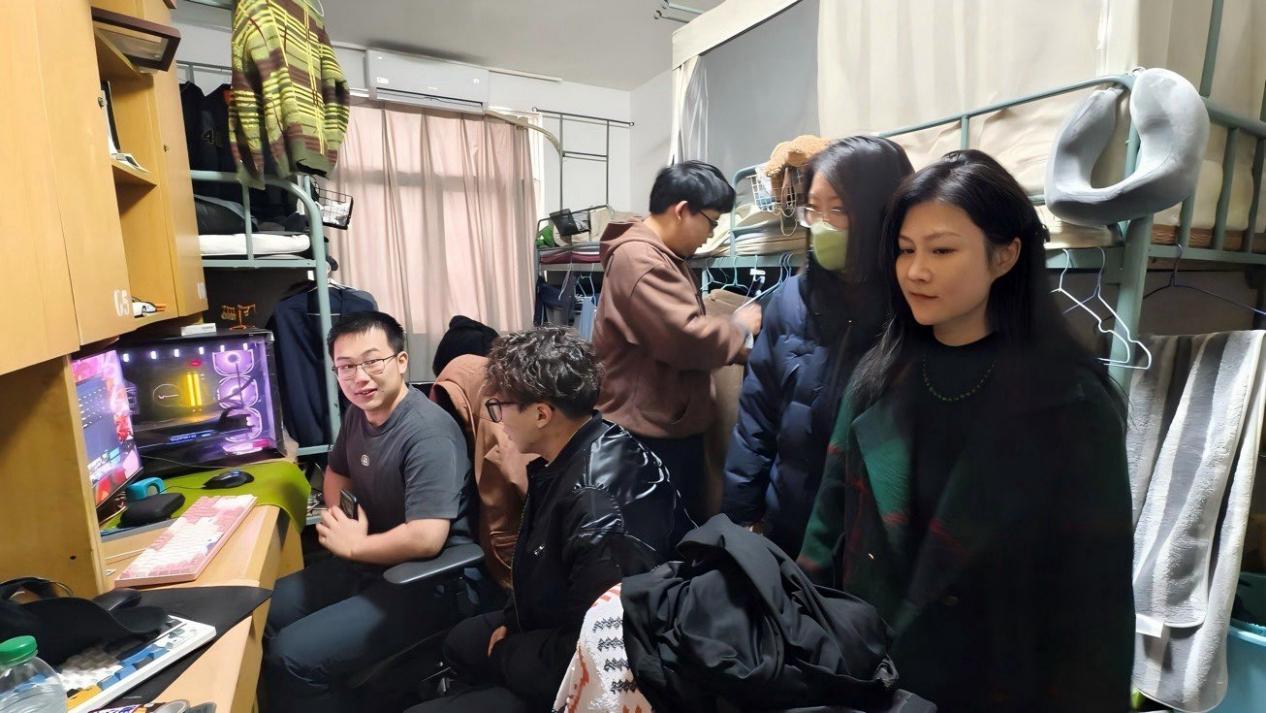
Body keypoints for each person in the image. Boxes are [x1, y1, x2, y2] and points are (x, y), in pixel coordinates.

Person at [799, 150, 1134, 711]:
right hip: (875, 675)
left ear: (1005, 256)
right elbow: (824, 530)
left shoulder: (1070, 404)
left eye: (942, 250)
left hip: (1000, 685)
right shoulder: (879, 376)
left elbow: (1096, 605)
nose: (916, 271)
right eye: (905, 249)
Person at [410, 327, 688, 713]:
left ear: (541, 414)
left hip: (598, 669)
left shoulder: (597, 510)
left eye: (500, 407)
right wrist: (513, 621)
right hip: (555, 622)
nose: (498, 419)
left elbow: (594, 650)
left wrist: (508, 652)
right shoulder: (579, 447)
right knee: (462, 641)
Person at [262, 311, 480, 713]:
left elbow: (426, 538)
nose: (359, 377)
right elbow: (337, 473)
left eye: (372, 362)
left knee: (290, 657)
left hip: (428, 581)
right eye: (346, 367)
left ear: (401, 361)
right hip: (371, 560)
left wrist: (355, 546)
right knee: (264, 612)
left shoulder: (428, 432)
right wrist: (344, 518)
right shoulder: (358, 415)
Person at [721, 136, 913, 558]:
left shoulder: (913, 310)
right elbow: (756, 419)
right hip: (786, 526)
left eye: (839, 210)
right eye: (813, 209)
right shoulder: (790, 300)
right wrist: (742, 517)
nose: (822, 225)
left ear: (880, 214)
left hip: (866, 548)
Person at [593, 160, 762, 520]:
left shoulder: (662, 255)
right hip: (646, 436)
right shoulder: (641, 260)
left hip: (660, 426)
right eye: (712, 222)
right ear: (683, 210)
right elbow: (685, 338)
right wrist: (739, 328)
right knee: (661, 534)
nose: (710, 235)